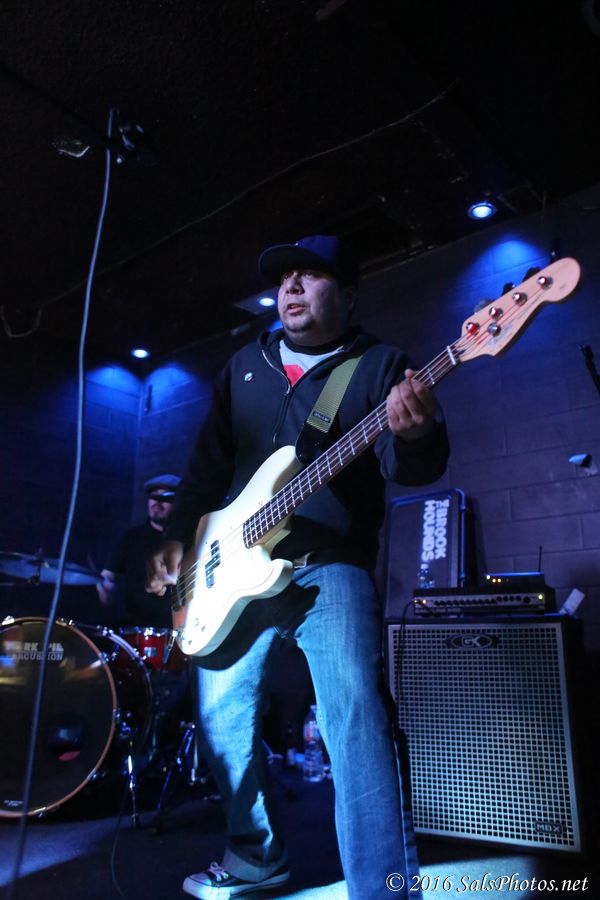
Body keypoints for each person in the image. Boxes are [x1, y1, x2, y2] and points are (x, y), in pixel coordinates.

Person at [146, 234, 449, 900]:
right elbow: (206, 469)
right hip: (231, 569)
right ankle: (256, 858)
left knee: (355, 717)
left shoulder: (380, 365)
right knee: (220, 721)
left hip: (327, 564)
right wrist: (176, 540)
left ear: (348, 294)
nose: (290, 287)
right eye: (284, 278)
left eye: (310, 276)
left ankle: (384, 888)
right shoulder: (243, 368)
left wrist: (418, 433)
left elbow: (410, 466)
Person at [98, 473, 181, 628]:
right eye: (153, 497)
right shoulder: (131, 538)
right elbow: (107, 576)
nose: (157, 502)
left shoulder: (187, 539)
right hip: (136, 629)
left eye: (165, 497)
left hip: (180, 625)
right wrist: (105, 588)